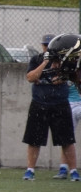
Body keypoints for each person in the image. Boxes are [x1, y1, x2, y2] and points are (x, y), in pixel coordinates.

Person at [22, 34, 79, 182]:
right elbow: (30, 77)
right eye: (45, 45)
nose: (47, 48)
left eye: (50, 46)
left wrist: (61, 72)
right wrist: (45, 62)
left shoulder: (66, 61)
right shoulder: (37, 59)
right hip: (40, 103)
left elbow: (75, 77)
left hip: (60, 104)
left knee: (67, 140)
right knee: (34, 139)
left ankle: (73, 171)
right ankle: (30, 170)